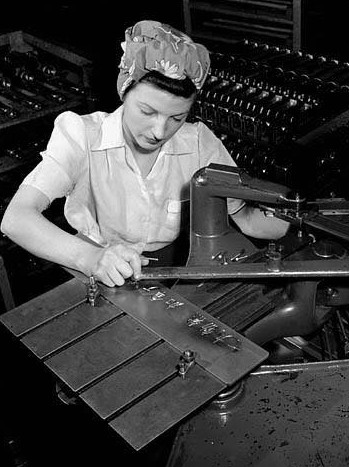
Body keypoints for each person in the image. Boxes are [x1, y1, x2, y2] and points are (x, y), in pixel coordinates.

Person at [0, 20, 289, 288]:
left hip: (171, 269)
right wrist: (89, 259)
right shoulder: (81, 136)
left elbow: (247, 219)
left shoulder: (199, 142)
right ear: (125, 91)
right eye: (147, 111)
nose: (160, 131)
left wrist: (308, 221)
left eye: (177, 118)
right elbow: (16, 218)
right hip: (90, 266)